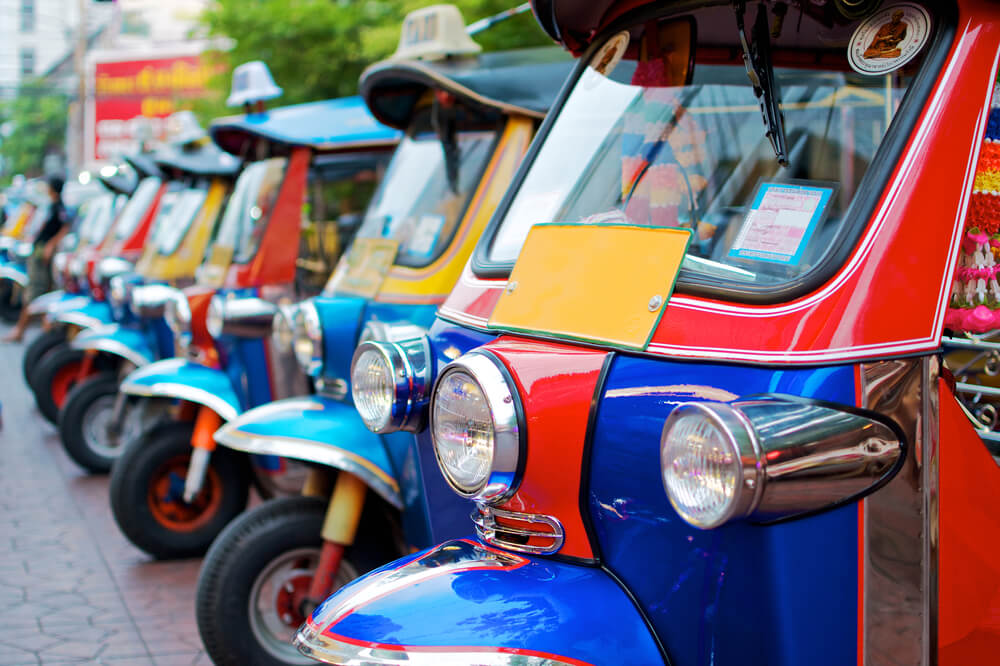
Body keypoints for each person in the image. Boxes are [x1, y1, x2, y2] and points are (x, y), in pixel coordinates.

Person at [3, 175, 69, 342]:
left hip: (41, 254)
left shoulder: (58, 207)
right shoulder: (50, 206)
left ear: (53, 189)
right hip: (38, 251)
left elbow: (65, 227)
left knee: (35, 293)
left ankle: (21, 331)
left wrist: (50, 245)